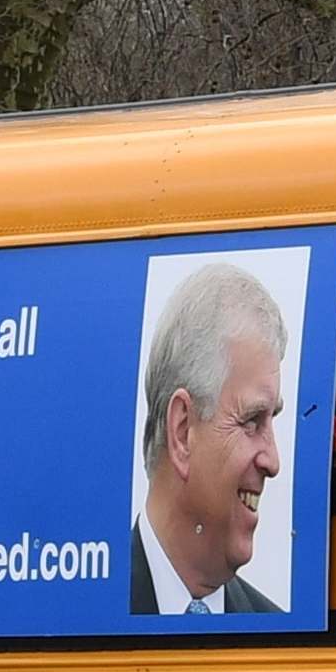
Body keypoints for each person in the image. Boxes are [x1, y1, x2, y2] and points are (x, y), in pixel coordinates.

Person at [131, 262, 286, 615]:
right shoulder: (78, 611)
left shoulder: (273, 629)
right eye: (251, 421)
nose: (273, 461)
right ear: (183, 431)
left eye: (272, 419)